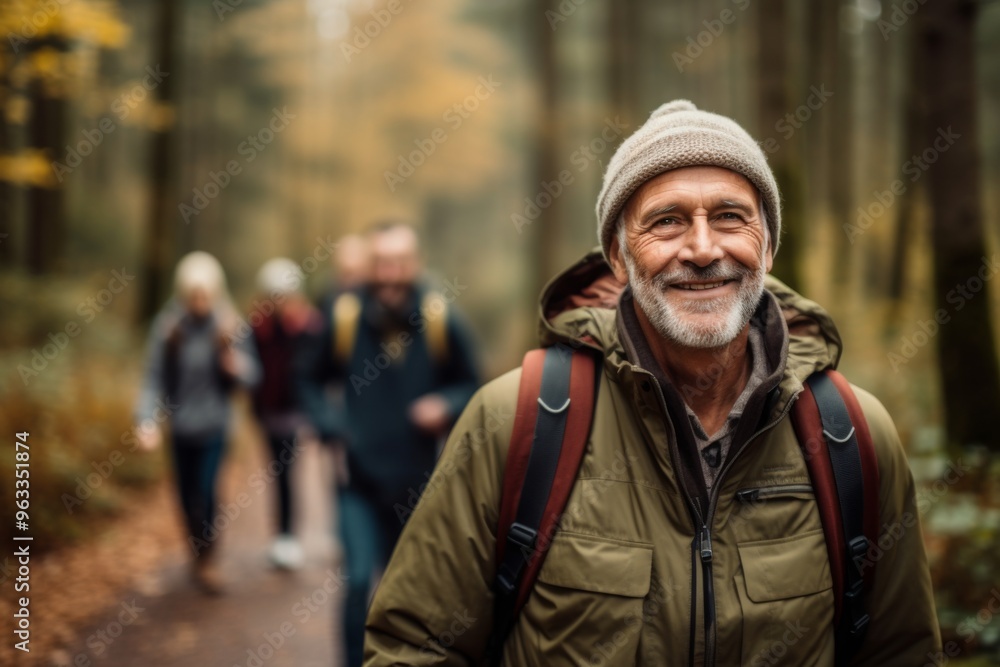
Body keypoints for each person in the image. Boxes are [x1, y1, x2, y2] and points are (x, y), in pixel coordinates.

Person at [363, 101, 941, 665]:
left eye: (730, 217)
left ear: (767, 244)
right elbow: (415, 645)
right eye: (666, 221)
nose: (702, 248)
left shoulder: (851, 435)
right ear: (617, 255)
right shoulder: (516, 421)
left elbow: (903, 651)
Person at [298, 222, 480, 667]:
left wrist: (446, 402)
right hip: (355, 480)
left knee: (407, 593)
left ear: (415, 265)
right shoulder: (344, 314)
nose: (390, 273)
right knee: (358, 581)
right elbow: (306, 379)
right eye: (381, 263)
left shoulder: (440, 316)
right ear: (369, 266)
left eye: (399, 263)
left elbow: (473, 382)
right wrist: (331, 423)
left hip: (418, 486)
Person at [134, 251, 260, 595]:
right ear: (183, 293)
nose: (200, 302)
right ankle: (197, 551)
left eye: (206, 295)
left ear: (216, 291)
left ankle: (208, 558)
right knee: (184, 497)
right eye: (194, 295)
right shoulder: (169, 327)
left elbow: (254, 376)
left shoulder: (230, 326)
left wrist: (238, 368)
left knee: (206, 491)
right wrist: (145, 420)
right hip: (179, 428)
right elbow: (152, 378)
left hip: (216, 426)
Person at [250, 257, 322, 570]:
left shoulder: (309, 326)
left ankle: (288, 535)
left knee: (287, 469)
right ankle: (282, 534)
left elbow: (316, 368)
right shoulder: (257, 327)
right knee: (277, 469)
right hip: (268, 411)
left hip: (295, 412)